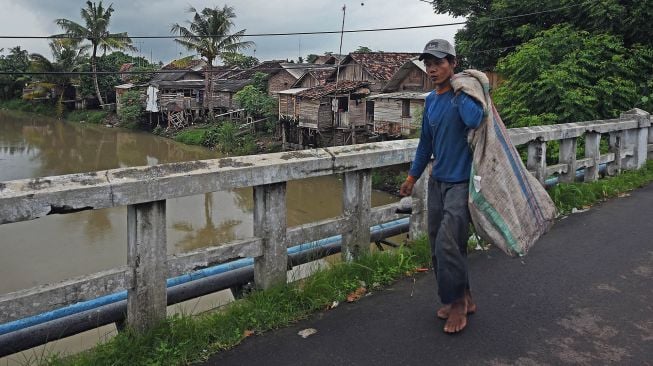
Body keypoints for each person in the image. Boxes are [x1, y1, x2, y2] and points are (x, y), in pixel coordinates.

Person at [399, 39, 484, 333]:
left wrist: (460, 89)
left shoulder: (464, 96)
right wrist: (412, 177)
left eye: (439, 63)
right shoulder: (432, 101)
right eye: (429, 64)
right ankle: (463, 297)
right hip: (437, 181)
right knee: (439, 244)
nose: (433, 69)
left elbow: (476, 120)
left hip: (461, 181)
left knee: (450, 242)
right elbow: (426, 142)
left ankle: (458, 303)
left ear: (453, 64)